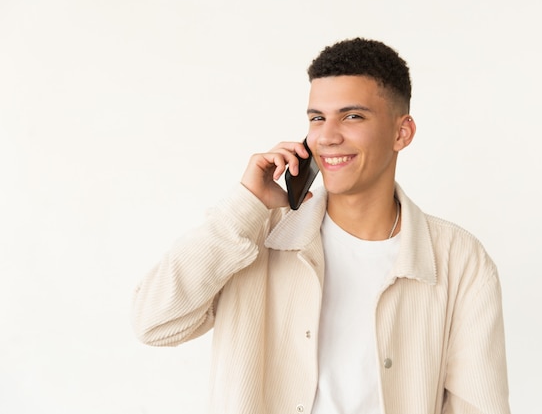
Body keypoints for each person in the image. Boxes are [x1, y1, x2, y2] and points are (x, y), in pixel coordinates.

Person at [132, 37, 510, 414]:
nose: (327, 137)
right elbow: (155, 323)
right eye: (317, 118)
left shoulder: (460, 260)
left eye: (352, 116)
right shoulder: (255, 236)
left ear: (402, 132)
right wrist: (246, 205)